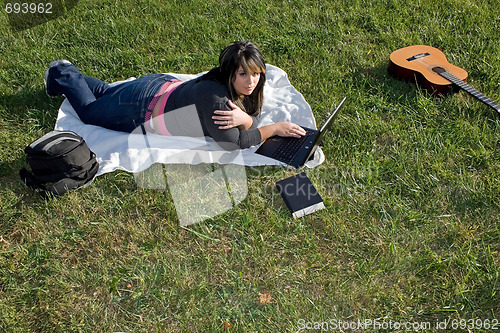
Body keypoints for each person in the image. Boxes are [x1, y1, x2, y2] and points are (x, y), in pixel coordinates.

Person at [45, 41, 306, 150]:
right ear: (229, 73)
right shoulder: (216, 100)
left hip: (158, 88)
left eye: (256, 74)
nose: (251, 82)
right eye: (242, 74)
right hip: (141, 108)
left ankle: (69, 77)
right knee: (91, 112)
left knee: (104, 93)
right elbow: (232, 143)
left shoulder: (244, 87)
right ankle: (62, 71)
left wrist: (247, 120)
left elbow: (248, 121)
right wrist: (274, 128)